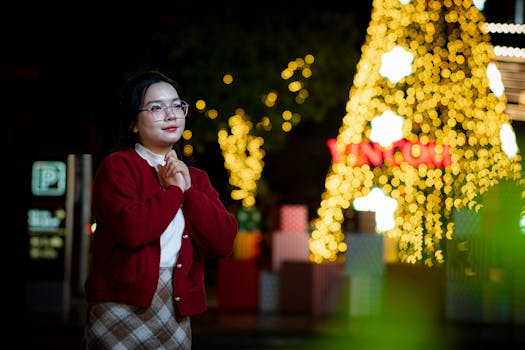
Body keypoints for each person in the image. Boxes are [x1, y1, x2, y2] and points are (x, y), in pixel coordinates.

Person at [84, 70, 238, 349]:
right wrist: (175, 192)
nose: (171, 115)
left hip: (175, 308)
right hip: (119, 305)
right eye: (156, 107)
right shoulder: (119, 166)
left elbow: (223, 242)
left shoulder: (197, 179)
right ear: (133, 123)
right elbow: (132, 230)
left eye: (177, 105)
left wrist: (189, 191)